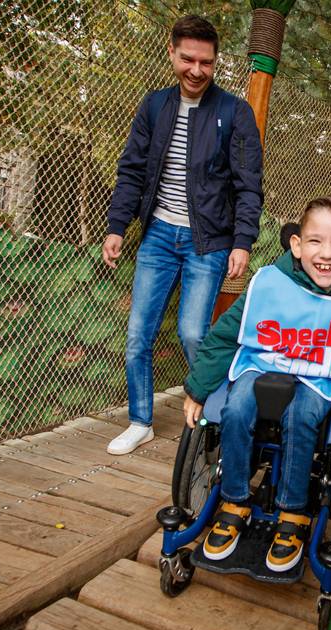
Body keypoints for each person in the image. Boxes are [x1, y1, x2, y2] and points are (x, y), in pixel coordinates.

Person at [181, 197, 331, 573]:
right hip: (261, 366)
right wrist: (198, 388)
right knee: (236, 406)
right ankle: (235, 500)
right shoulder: (269, 284)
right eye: (315, 241)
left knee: (303, 414)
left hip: (318, 376)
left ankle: (294, 513)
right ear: (296, 245)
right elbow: (228, 335)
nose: (326, 253)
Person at [101, 15, 264, 455]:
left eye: (206, 62)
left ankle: (215, 415)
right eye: (188, 59)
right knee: (138, 333)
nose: (196, 70)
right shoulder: (154, 106)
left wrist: (242, 241)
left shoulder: (234, 112)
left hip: (207, 242)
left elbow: (248, 185)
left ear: (216, 63)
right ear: (171, 53)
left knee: (194, 332)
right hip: (157, 237)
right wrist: (118, 227)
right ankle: (141, 421)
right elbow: (132, 171)